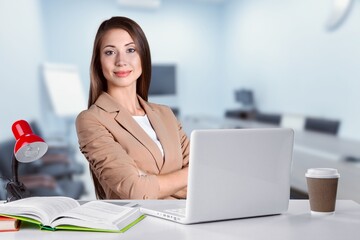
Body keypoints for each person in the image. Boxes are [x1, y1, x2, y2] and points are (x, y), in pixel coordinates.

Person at [76, 16, 189, 200]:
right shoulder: (91, 119)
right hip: (137, 225)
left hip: (186, 222)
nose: (121, 60)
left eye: (131, 50)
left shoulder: (166, 114)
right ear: (98, 62)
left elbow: (203, 177)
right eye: (110, 52)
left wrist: (147, 179)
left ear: (143, 57)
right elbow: (135, 190)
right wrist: (186, 177)